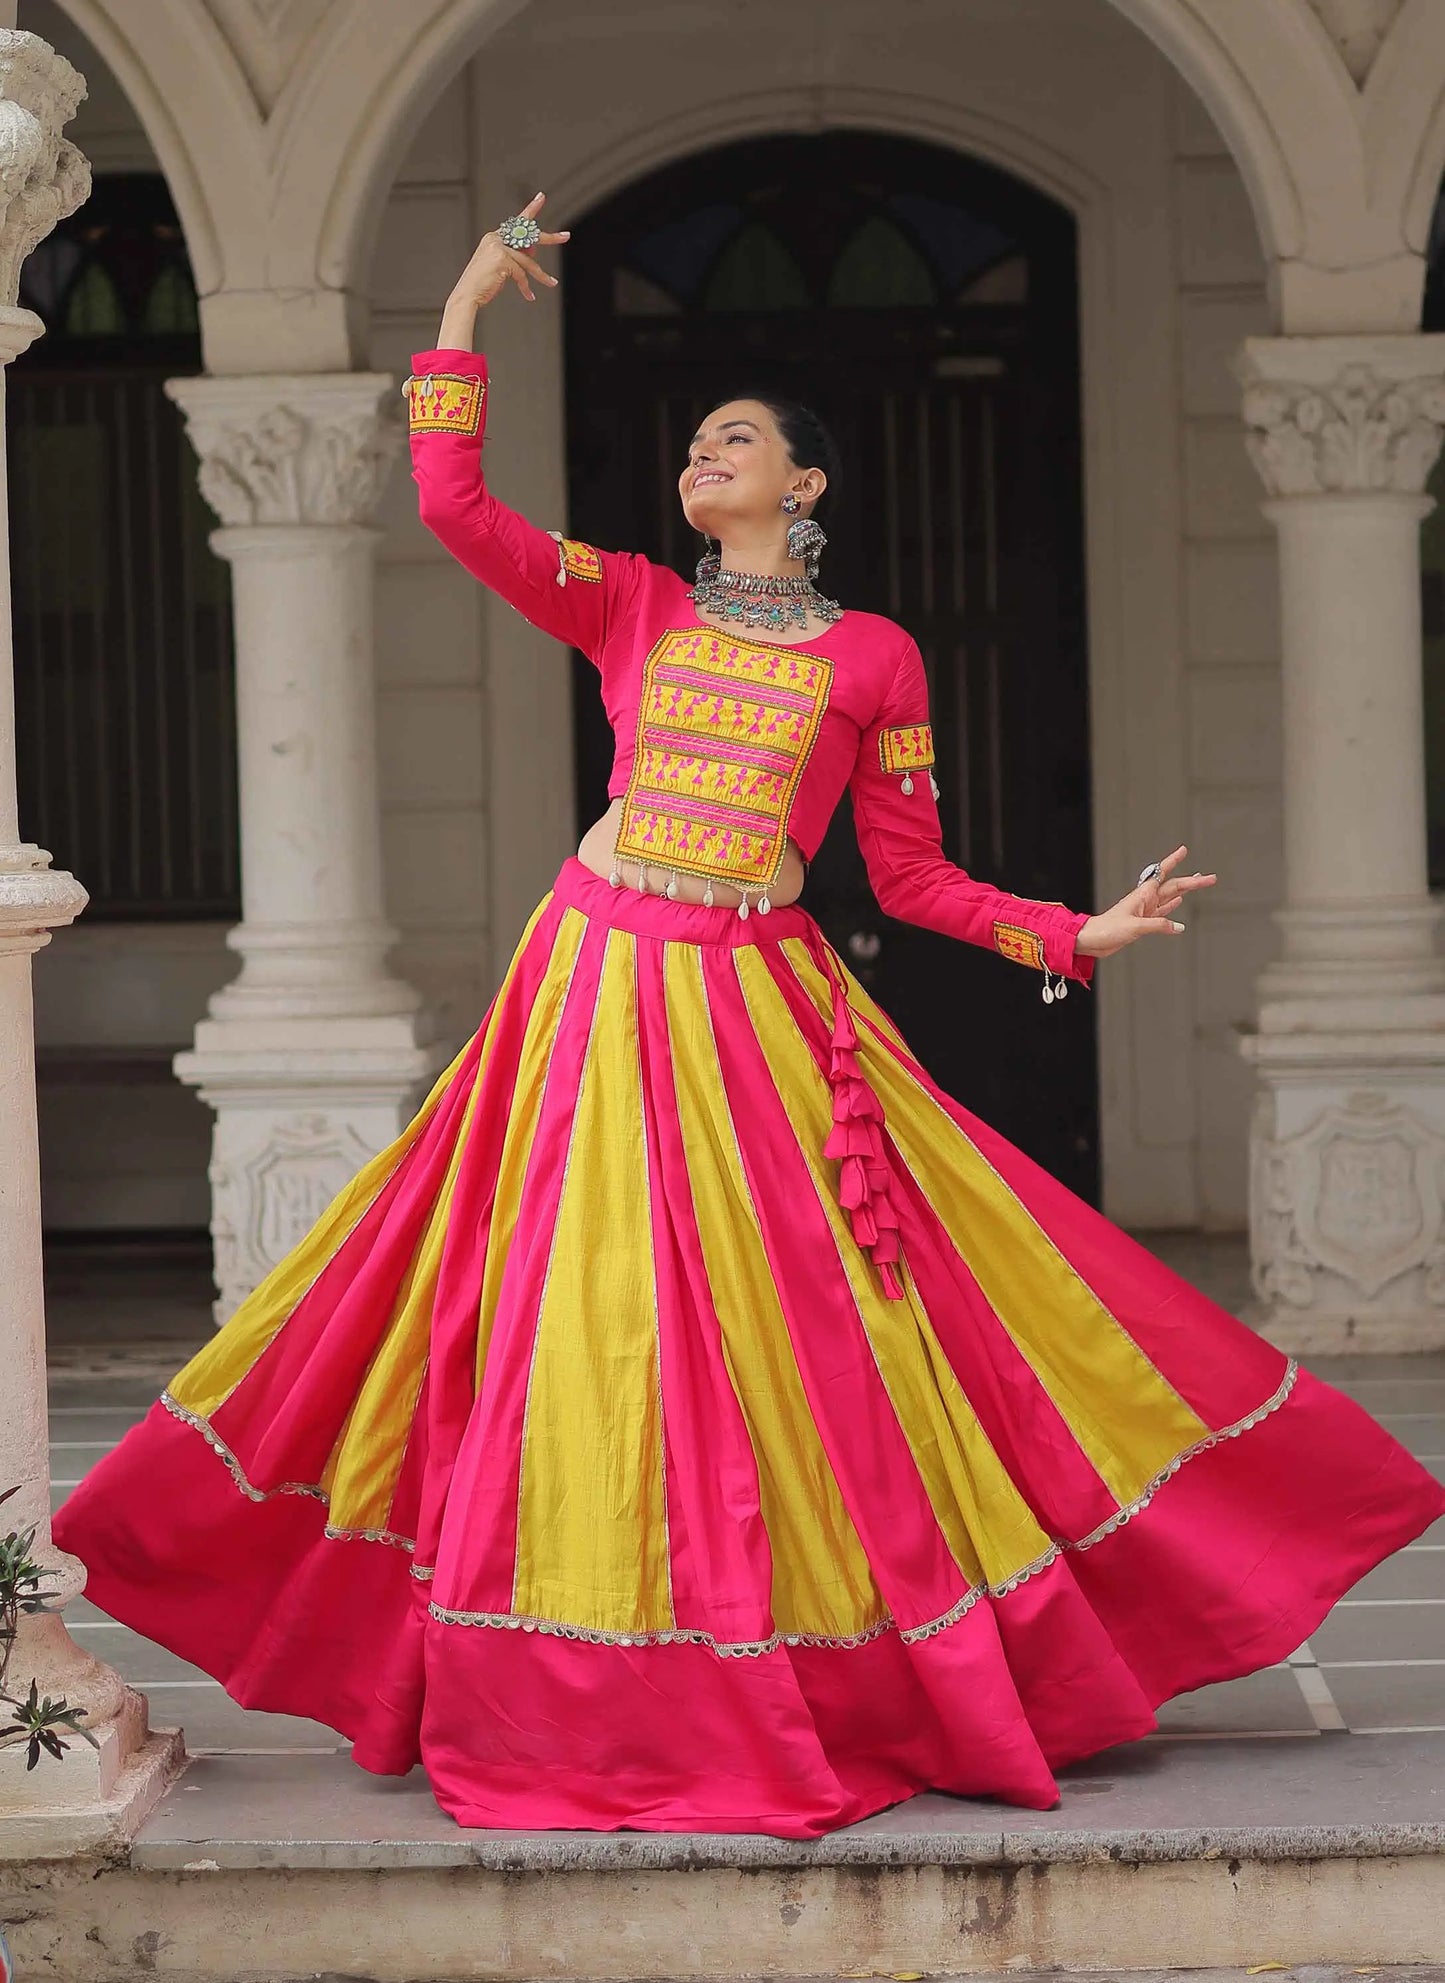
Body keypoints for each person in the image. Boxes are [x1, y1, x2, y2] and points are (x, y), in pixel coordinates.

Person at [55, 196, 1445, 1838]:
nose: (700, 458)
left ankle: (838, 1653)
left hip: (765, 1006)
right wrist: (460, 305)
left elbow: (914, 878)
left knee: (822, 1332)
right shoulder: (632, 599)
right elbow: (455, 506)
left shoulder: (875, 657)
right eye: (693, 443)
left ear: (806, 485)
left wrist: (1072, 928)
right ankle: (576, 1670)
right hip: (597, 985)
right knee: (584, 1320)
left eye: (736, 440)